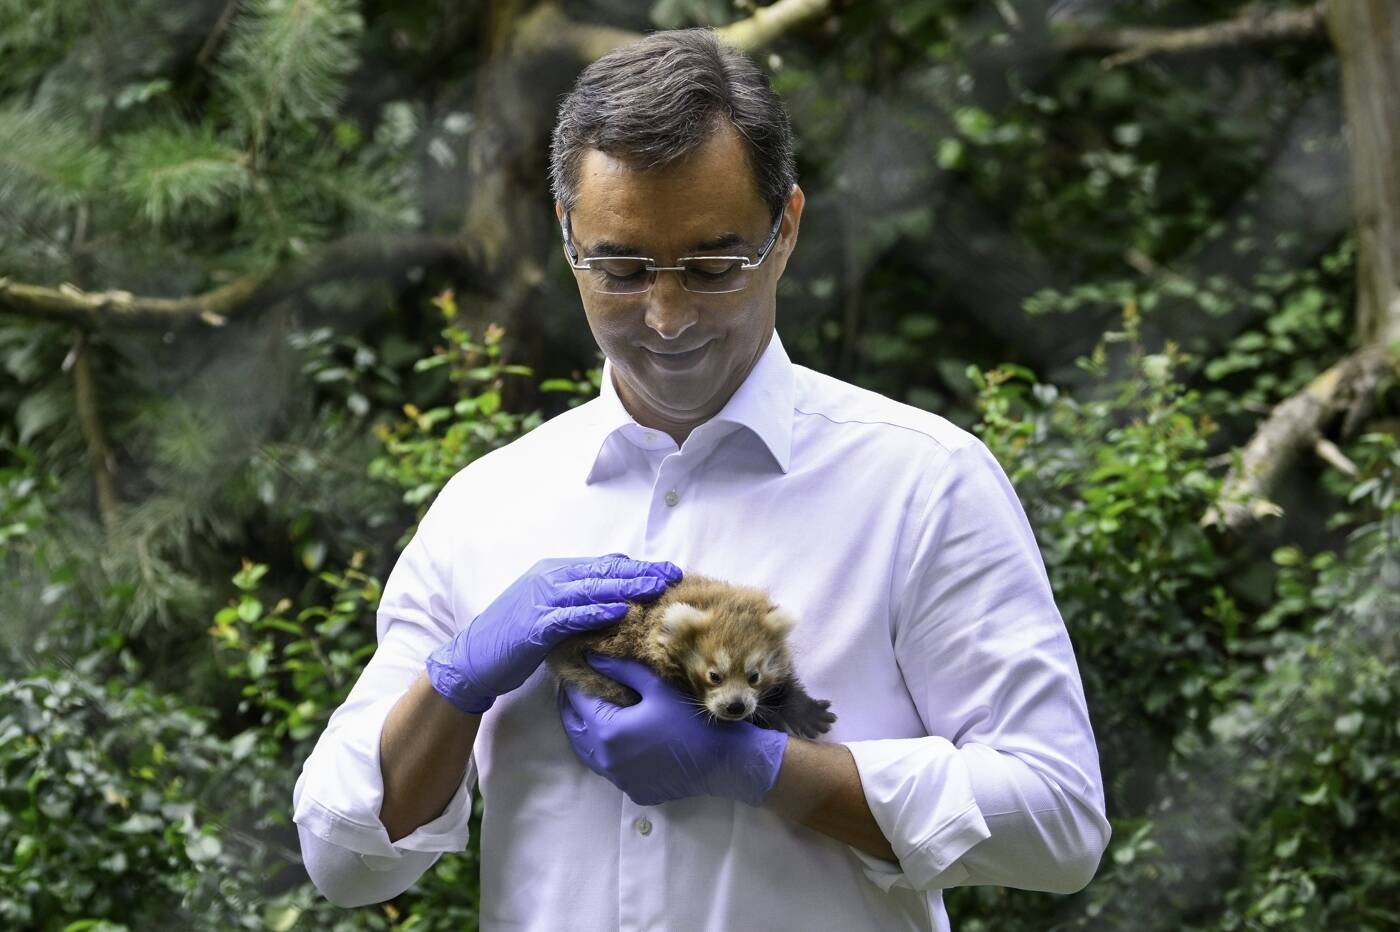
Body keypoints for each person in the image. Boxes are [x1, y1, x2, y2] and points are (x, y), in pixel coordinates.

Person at [293, 28, 1109, 931]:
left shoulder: (921, 484)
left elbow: (1059, 820)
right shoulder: (487, 507)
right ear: (568, 238)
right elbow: (344, 857)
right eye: (622, 267)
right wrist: (454, 685)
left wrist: (765, 770)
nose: (668, 315)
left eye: (715, 266)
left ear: (786, 229)